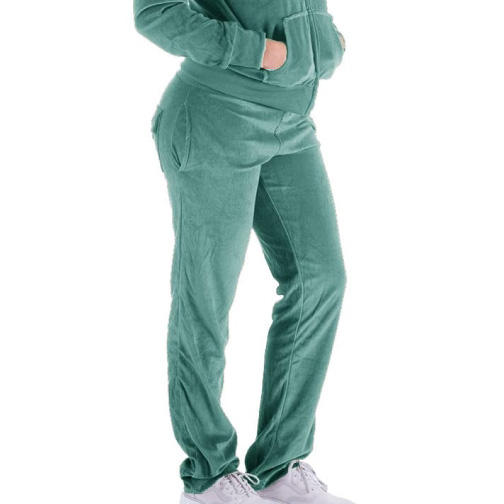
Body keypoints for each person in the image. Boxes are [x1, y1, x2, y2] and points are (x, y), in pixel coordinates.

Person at [134, 1, 351, 503]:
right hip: (214, 114)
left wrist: (325, 41)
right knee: (207, 297)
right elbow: (155, 12)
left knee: (321, 278)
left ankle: (279, 466)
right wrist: (260, 53)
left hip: (292, 123)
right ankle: (208, 477)